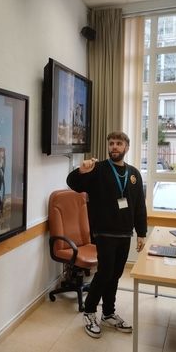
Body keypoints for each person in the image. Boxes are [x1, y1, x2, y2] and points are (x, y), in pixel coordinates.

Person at [66, 131, 147, 338]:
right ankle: (90, 311)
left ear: (126, 147)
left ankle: (108, 313)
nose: (114, 147)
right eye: (111, 143)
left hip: (124, 234)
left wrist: (141, 233)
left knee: (116, 275)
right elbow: (73, 184)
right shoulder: (98, 169)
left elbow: (139, 207)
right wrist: (81, 171)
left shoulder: (134, 174)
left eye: (118, 144)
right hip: (104, 232)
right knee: (104, 274)